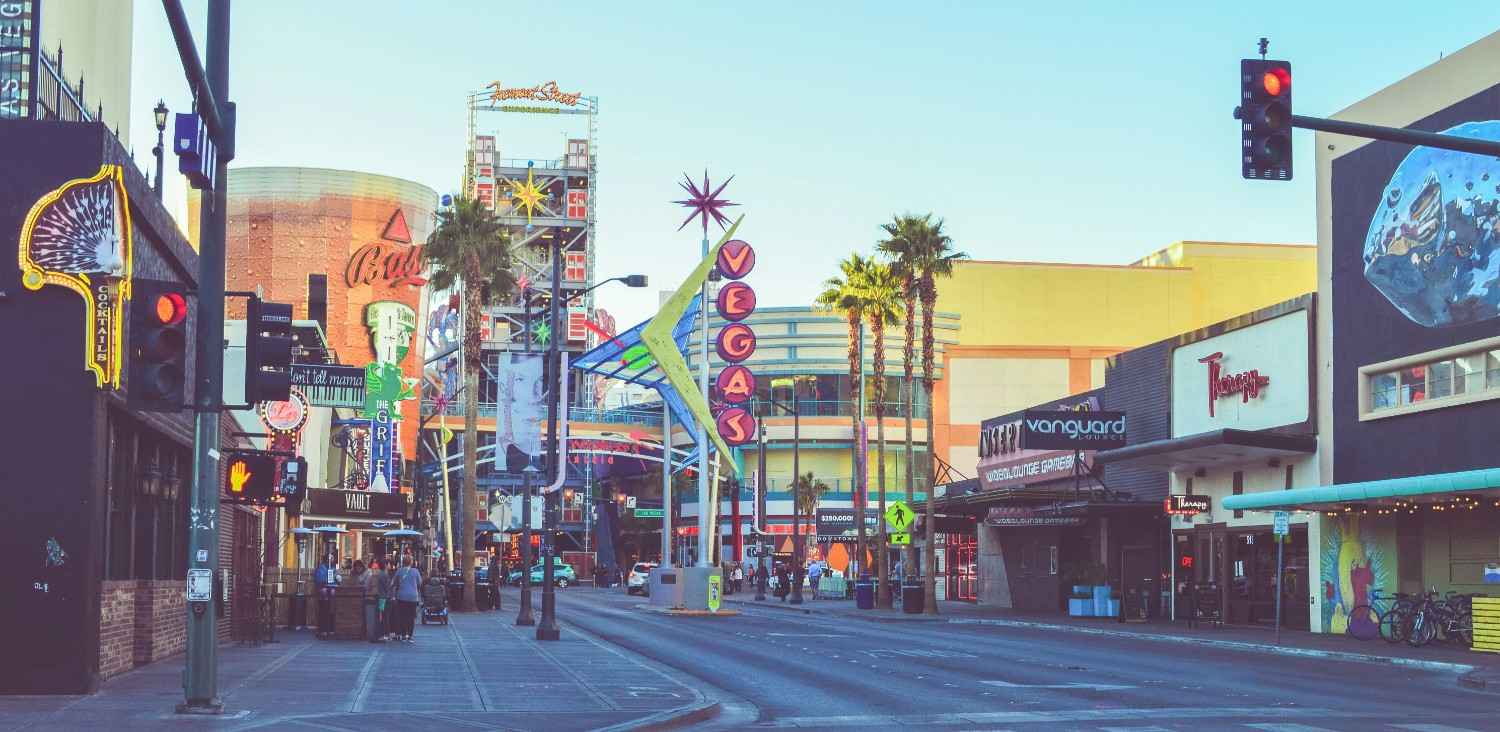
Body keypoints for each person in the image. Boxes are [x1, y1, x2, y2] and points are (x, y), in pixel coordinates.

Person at [394, 555, 422, 642]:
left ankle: (402, 634)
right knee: (411, 617)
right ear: (411, 562)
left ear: (403, 562)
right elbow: (420, 583)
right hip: (413, 597)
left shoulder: (399, 571)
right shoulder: (415, 571)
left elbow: (394, 582)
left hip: (401, 596)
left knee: (402, 616)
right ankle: (409, 636)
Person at [314, 552, 339, 638]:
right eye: (329, 558)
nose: (331, 560)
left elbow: (337, 580)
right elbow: (319, 580)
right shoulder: (321, 568)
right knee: (323, 611)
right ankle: (323, 630)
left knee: (332, 611)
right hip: (323, 593)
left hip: (332, 593)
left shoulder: (333, 568)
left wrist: (337, 579)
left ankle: (331, 629)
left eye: (332, 558)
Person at [382, 560, 399, 640]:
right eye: (388, 564)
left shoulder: (380, 574)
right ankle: (387, 633)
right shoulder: (387, 575)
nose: (390, 566)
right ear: (386, 565)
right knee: (387, 616)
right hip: (388, 598)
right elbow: (391, 587)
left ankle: (385, 633)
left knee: (383, 615)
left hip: (381, 598)